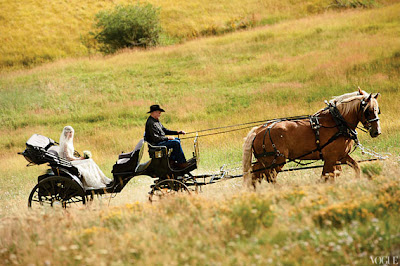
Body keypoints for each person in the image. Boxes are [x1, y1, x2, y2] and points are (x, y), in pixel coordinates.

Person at [144, 104, 188, 169]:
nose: (160, 114)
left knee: (177, 140)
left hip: (159, 142)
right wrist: (168, 138)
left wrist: (177, 132)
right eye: (159, 113)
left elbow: (164, 130)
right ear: (154, 112)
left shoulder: (156, 121)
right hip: (156, 145)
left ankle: (172, 161)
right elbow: (155, 139)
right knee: (176, 143)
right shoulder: (150, 123)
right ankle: (182, 163)